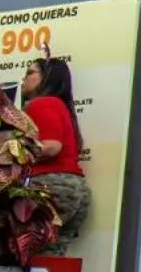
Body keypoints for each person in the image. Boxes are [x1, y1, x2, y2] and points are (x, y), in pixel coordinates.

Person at [21, 57, 90, 252]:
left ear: (46, 78)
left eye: (30, 73)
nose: (24, 79)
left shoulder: (40, 104)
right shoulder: (60, 106)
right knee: (52, 257)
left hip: (50, 186)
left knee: (33, 254)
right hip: (75, 189)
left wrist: (12, 153)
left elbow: (51, 147)